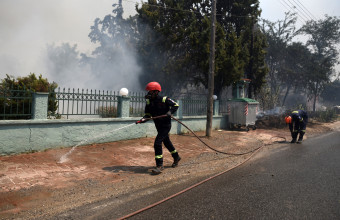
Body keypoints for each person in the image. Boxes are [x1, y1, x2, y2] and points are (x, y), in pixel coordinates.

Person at [136, 82, 181, 174]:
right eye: (148, 91)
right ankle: (176, 157)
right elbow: (148, 114)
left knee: (157, 143)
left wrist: (170, 112)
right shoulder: (149, 102)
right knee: (167, 142)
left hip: (165, 125)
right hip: (158, 125)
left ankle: (159, 165)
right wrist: (142, 120)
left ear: (156, 92)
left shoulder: (164, 99)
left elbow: (175, 105)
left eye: (150, 91)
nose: (148, 93)